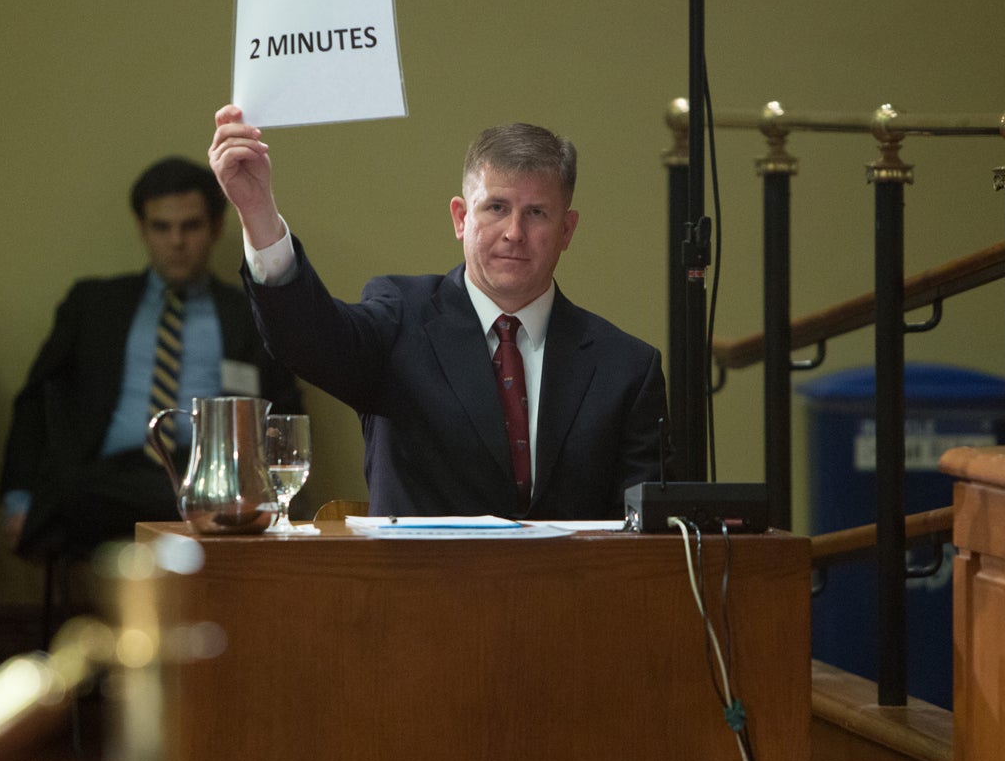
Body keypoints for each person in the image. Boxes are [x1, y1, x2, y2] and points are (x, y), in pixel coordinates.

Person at [208, 104, 666, 519]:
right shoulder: (401, 321)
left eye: (537, 213)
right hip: (422, 600)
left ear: (567, 229)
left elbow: (650, 539)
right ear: (461, 218)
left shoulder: (625, 367)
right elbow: (306, 339)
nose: (514, 232)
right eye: (496, 208)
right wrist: (258, 211)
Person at [0, 156, 302, 556]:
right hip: (104, 478)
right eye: (162, 227)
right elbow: (36, 401)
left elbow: (283, 410)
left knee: (212, 508)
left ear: (216, 228)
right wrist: (18, 499)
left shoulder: (248, 313)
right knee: (68, 497)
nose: (176, 241)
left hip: (208, 477)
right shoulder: (93, 305)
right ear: (143, 229)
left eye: (190, 226)